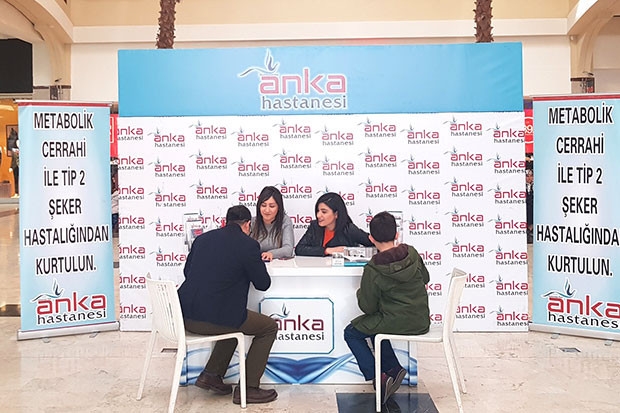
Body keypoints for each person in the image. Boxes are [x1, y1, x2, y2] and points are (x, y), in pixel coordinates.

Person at [178, 205, 278, 405]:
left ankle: (211, 375)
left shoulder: (202, 239)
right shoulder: (248, 245)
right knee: (268, 327)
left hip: (184, 315)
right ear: (247, 224)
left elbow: (187, 272)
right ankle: (248, 388)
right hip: (214, 318)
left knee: (232, 320)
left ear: (226, 221)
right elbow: (263, 283)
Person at [343, 211, 430, 403]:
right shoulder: (412, 253)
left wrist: (360, 292)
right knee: (374, 326)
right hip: (421, 321)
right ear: (397, 234)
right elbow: (426, 278)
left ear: (371, 238)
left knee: (351, 333)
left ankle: (379, 377)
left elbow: (367, 307)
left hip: (393, 321)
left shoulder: (373, 268)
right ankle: (393, 369)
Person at [295, 192, 372, 256]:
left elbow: (373, 242)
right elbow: (299, 249)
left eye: (324, 212)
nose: (318, 215)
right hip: (318, 268)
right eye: (318, 211)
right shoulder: (315, 227)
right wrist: (327, 250)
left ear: (336, 214)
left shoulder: (349, 229)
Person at [250, 186, 294, 261]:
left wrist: (271, 254)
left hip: (279, 266)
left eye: (272, 206)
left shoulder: (285, 221)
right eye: (263, 205)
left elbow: (288, 249)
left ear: (279, 207)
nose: (267, 210)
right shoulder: (253, 222)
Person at [6, 128, 19, 198]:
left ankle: (22, 192)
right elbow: (13, 159)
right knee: (16, 179)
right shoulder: (14, 150)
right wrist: (11, 167)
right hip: (15, 166)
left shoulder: (24, 149)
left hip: (22, 166)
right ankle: (16, 192)